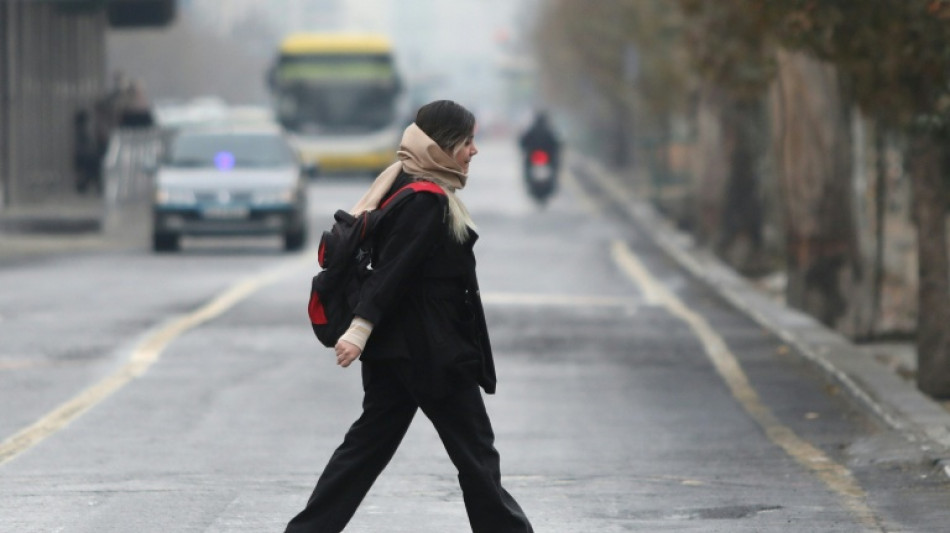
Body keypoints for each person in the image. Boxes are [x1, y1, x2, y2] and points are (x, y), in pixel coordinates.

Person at [285, 100, 534, 533]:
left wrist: (367, 335)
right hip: (431, 353)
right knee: (476, 455)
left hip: (399, 351)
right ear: (443, 146)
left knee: (363, 453)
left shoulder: (407, 183)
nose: (474, 151)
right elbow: (391, 273)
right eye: (467, 142)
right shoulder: (425, 200)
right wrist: (358, 331)